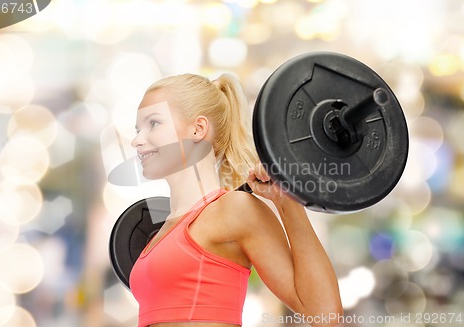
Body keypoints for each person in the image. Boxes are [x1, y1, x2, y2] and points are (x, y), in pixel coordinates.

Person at [129, 73, 343, 327]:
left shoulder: (234, 210)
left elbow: (324, 314)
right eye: (137, 129)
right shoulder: (160, 232)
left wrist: (288, 202)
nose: (136, 140)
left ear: (198, 129)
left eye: (153, 124)